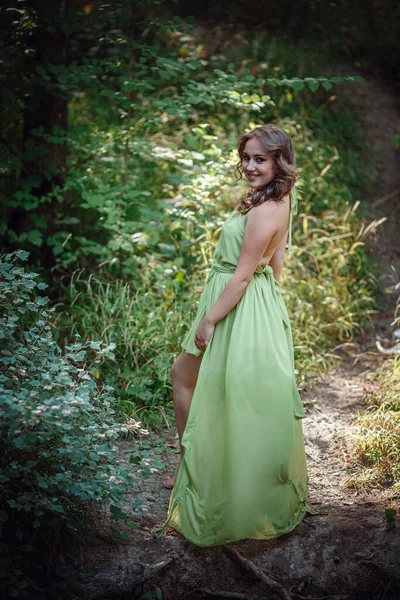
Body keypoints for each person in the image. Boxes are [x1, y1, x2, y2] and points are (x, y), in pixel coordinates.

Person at [157, 124, 319, 547]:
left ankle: (201, 480)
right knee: (230, 391)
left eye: (259, 159)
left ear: (279, 161)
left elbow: (244, 275)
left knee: (185, 378)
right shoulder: (279, 198)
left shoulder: (266, 208)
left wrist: (210, 319)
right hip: (254, 301)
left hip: (234, 301)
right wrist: (272, 306)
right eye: (246, 157)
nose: (249, 166)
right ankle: (211, 477)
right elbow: (276, 260)